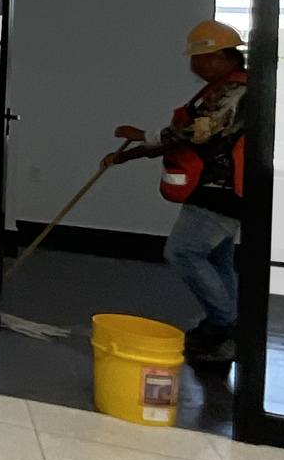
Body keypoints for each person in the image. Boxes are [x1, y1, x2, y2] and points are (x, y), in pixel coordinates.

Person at [103, 20, 252, 366]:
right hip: (213, 189)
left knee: (182, 252)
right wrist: (128, 155)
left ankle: (225, 325)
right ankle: (223, 325)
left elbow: (197, 132)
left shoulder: (235, 92)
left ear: (220, 56)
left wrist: (140, 135)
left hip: (222, 191)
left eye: (198, 58)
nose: (193, 65)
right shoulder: (218, 88)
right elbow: (176, 135)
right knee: (218, 260)